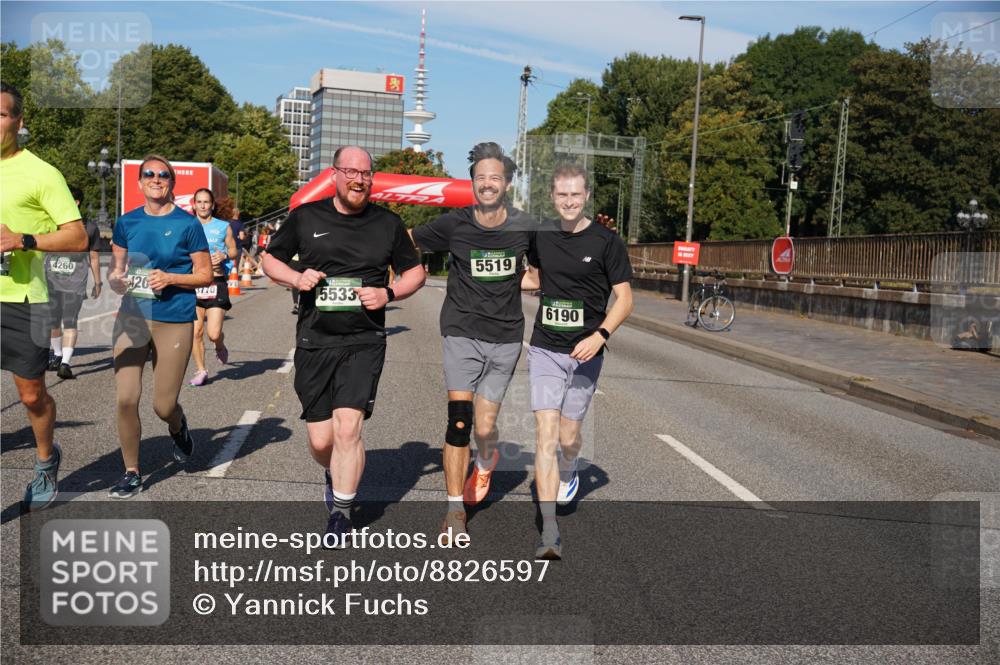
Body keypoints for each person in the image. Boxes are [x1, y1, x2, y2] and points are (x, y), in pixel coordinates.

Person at [262, 146, 425, 543]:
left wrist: (389, 293)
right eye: (351, 171)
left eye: (366, 173)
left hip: (364, 339)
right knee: (322, 440)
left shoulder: (388, 223)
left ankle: (342, 512)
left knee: (348, 428)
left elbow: (415, 272)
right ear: (334, 174)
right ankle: (334, 473)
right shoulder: (307, 217)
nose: (359, 179)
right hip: (315, 338)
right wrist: (295, 279)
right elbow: (271, 259)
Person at [410, 142, 538, 541]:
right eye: (481, 177)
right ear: (472, 182)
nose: (487, 184)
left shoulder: (525, 225)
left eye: (495, 177)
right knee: (459, 421)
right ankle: (454, 511)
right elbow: (406, 238)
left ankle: (486, 459)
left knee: (484, 428)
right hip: (461, 331)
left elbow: (546, 268)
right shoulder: (453, 224)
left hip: (505, 337)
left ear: (507, 183)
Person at [523, 163, 633, 559]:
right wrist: (488, 279)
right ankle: (549, 531)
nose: (568, 202)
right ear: (552, 197)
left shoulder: (606, 242)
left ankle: (569, 471)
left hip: (586, 353)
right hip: (545, 348)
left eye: (575, 195)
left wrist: (600, 335)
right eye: (561, 195)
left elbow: (625, 299)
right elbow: (534, 277)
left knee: (569, 439)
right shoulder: (542, 235)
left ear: (586, 196)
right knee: (546, 435)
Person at [1, 82, 89, 510]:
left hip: (24, 299)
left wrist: (23, 238)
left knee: (32, 394)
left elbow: (77, 237)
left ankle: (44, 460)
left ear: (18, 121)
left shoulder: (41, 173)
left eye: (0, 115)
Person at [106, 155, 212, 498]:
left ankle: (178, 428)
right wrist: (116, 280)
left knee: (163, 406)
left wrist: (170, 278)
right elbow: (115, 269)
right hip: (132, 317)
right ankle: (132, 472)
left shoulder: (188, 224)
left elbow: (205, 275)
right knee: (126, 398)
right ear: (139, 183)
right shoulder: (127, 222)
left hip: (174, 319)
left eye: (163, 175)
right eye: (149, 174)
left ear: (171, 183)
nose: (156, 178)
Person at [44, 185, 103, 379]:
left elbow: (94, 257)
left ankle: (64, 361)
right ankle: (60, 358)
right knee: (55, 322)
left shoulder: (90, 228)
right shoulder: (52, 224)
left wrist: (98, 282)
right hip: (51, 281)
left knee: (68, 322)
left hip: (74, 283)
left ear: (76, 202)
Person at [187, 188, 237, 386]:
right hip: (193, 282)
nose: (203, 205)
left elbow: (233, 249)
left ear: (212, 205)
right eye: (199, 202)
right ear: (193, 204)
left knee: (213, 333)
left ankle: (220, 344)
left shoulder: (223, 226)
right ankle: (201, 370)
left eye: (206, 202)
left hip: (216, 282)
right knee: (195, 332)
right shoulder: (187, 226)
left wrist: (225, 255)